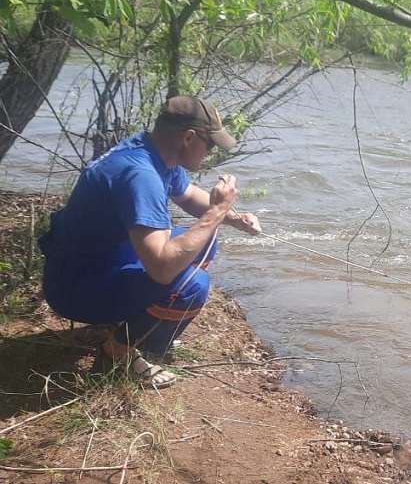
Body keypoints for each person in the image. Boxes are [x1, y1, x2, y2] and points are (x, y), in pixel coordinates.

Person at [38, 95, 261, 389]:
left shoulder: (152, 151)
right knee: (191, 287)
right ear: (189, 137)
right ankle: (115, 353)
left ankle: (135, 324)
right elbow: (162, 269)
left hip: (95, 266)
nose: (210, 153)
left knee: (205, 241)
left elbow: (188, 195)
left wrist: (231, 217)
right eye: (210, 145)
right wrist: (217, 210)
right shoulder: (140, 176)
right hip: (76, 289)